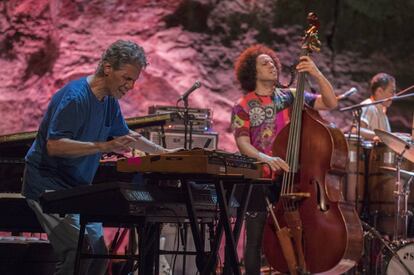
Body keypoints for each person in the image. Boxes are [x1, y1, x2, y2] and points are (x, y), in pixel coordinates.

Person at [21, 40, 171, 275]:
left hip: (78, 189)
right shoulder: (74, 97)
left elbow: (125, 133)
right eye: (127, 78)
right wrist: (104, 145)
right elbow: (55, 146)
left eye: (133, 80)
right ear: (108, 68)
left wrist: (164, 154)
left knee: (99, 255)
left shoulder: (109, 100)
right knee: (78, 253)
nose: (130, 86)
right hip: (48, 186)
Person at [231, 44, 338, 275]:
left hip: (294, 178)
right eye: (264, 63)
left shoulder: (290, 96)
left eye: (272, 62)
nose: (271, 65)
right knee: (255, 240)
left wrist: (316, 73)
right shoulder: (244, 105)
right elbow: (242, 141)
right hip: (260, 179)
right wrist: (264, 158)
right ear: (252, 71)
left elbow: (330, 103)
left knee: (304, 234)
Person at [357, 73, 396, 141]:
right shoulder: (368, 106)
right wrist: (383, 136)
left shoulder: (382, 111)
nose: (394, 96)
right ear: (379, 91)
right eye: (391, 92)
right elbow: (357, 130)